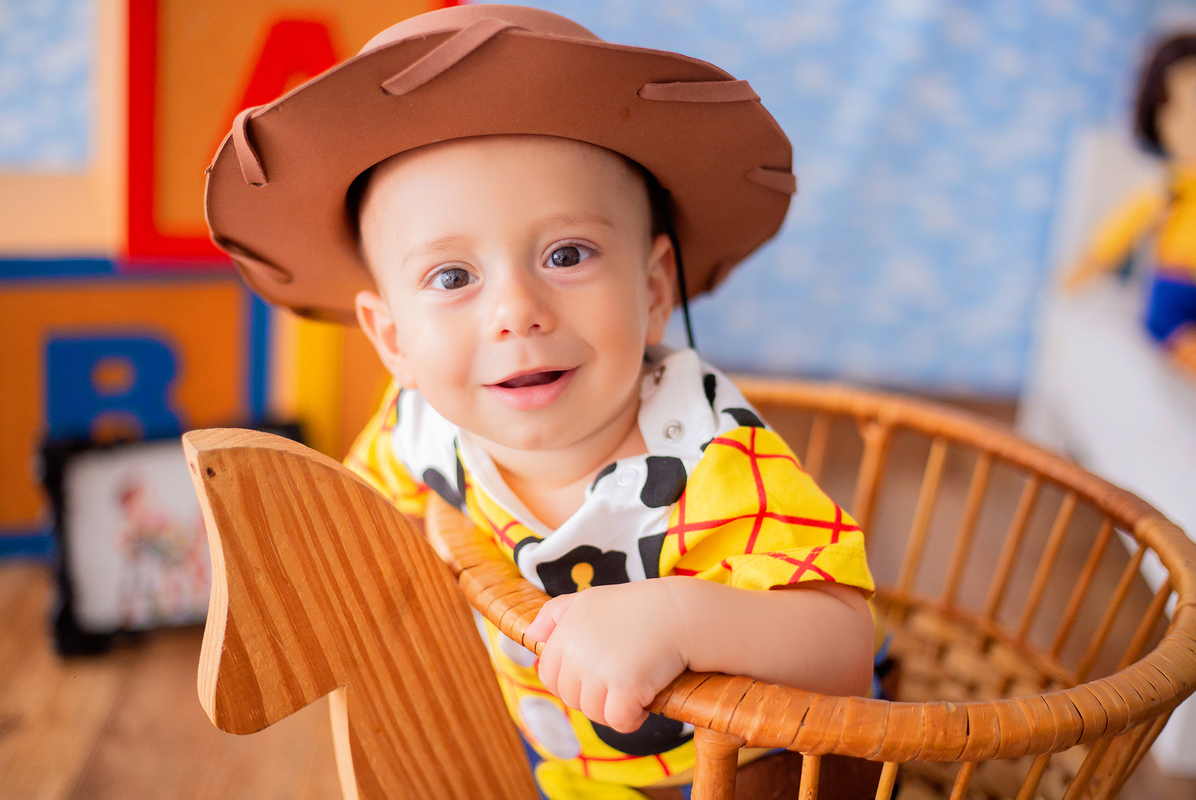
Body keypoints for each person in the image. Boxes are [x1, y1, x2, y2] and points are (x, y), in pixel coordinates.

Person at [205, 6, 876, 798]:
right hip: (558, 761)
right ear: (392, 340)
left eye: (566, 254)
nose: (516, 311)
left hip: (749, 770)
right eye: (452, 277)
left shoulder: (712, 462)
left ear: (654, 291)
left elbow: (846, 644)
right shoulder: (418, 428)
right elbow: (357, 528)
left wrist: (680, 618)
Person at [1064, 32, 1196, 382]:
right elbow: (1120, 231)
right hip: (1175, 288)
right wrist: (1085, 268)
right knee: (1170, 325)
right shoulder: (1167, 190)